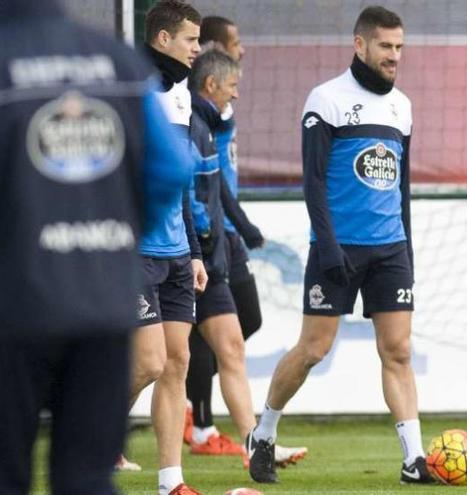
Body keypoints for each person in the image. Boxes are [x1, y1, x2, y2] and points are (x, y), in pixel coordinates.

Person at [0, 0, 194, 492]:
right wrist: (116, 239)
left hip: (17, 303)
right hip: (104, 302)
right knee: (86, 476)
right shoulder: (120, 64)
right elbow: (172, 171)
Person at [246, 5, 430, 485]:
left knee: (399, 351)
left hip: (390, 249)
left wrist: (406, 247)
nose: (394, 56)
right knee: (313, 349)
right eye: (386, 46)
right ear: (360, 44)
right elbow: (313, 181)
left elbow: (401, 185)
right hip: (338, 248)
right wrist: (327, 245)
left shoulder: (402, 106)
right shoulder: (325, 99)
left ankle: (414, 459)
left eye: (399, 48)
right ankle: (263, 432)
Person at [186, 48, 308, 466]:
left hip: (213, 252)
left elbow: (216, 188)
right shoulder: (188, 122)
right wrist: (204, 237)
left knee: (233, 345)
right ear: (211, 84)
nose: (236, 95)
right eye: (233, 86)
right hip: (188, 254)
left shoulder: (210, 123)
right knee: (158, 363)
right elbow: (199, 192)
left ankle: (255, 446)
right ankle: (109, 437)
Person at [124, 1, 208, 494]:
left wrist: (194, 251)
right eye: (191, 39)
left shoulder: (182, 96)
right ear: (163, 40)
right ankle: (93, 425)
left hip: (177, 253)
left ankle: (170, 482)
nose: (198, 48)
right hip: (136, 253)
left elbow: (181, 187)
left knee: (178, 363)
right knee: (149, 362)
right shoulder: (130, 91)